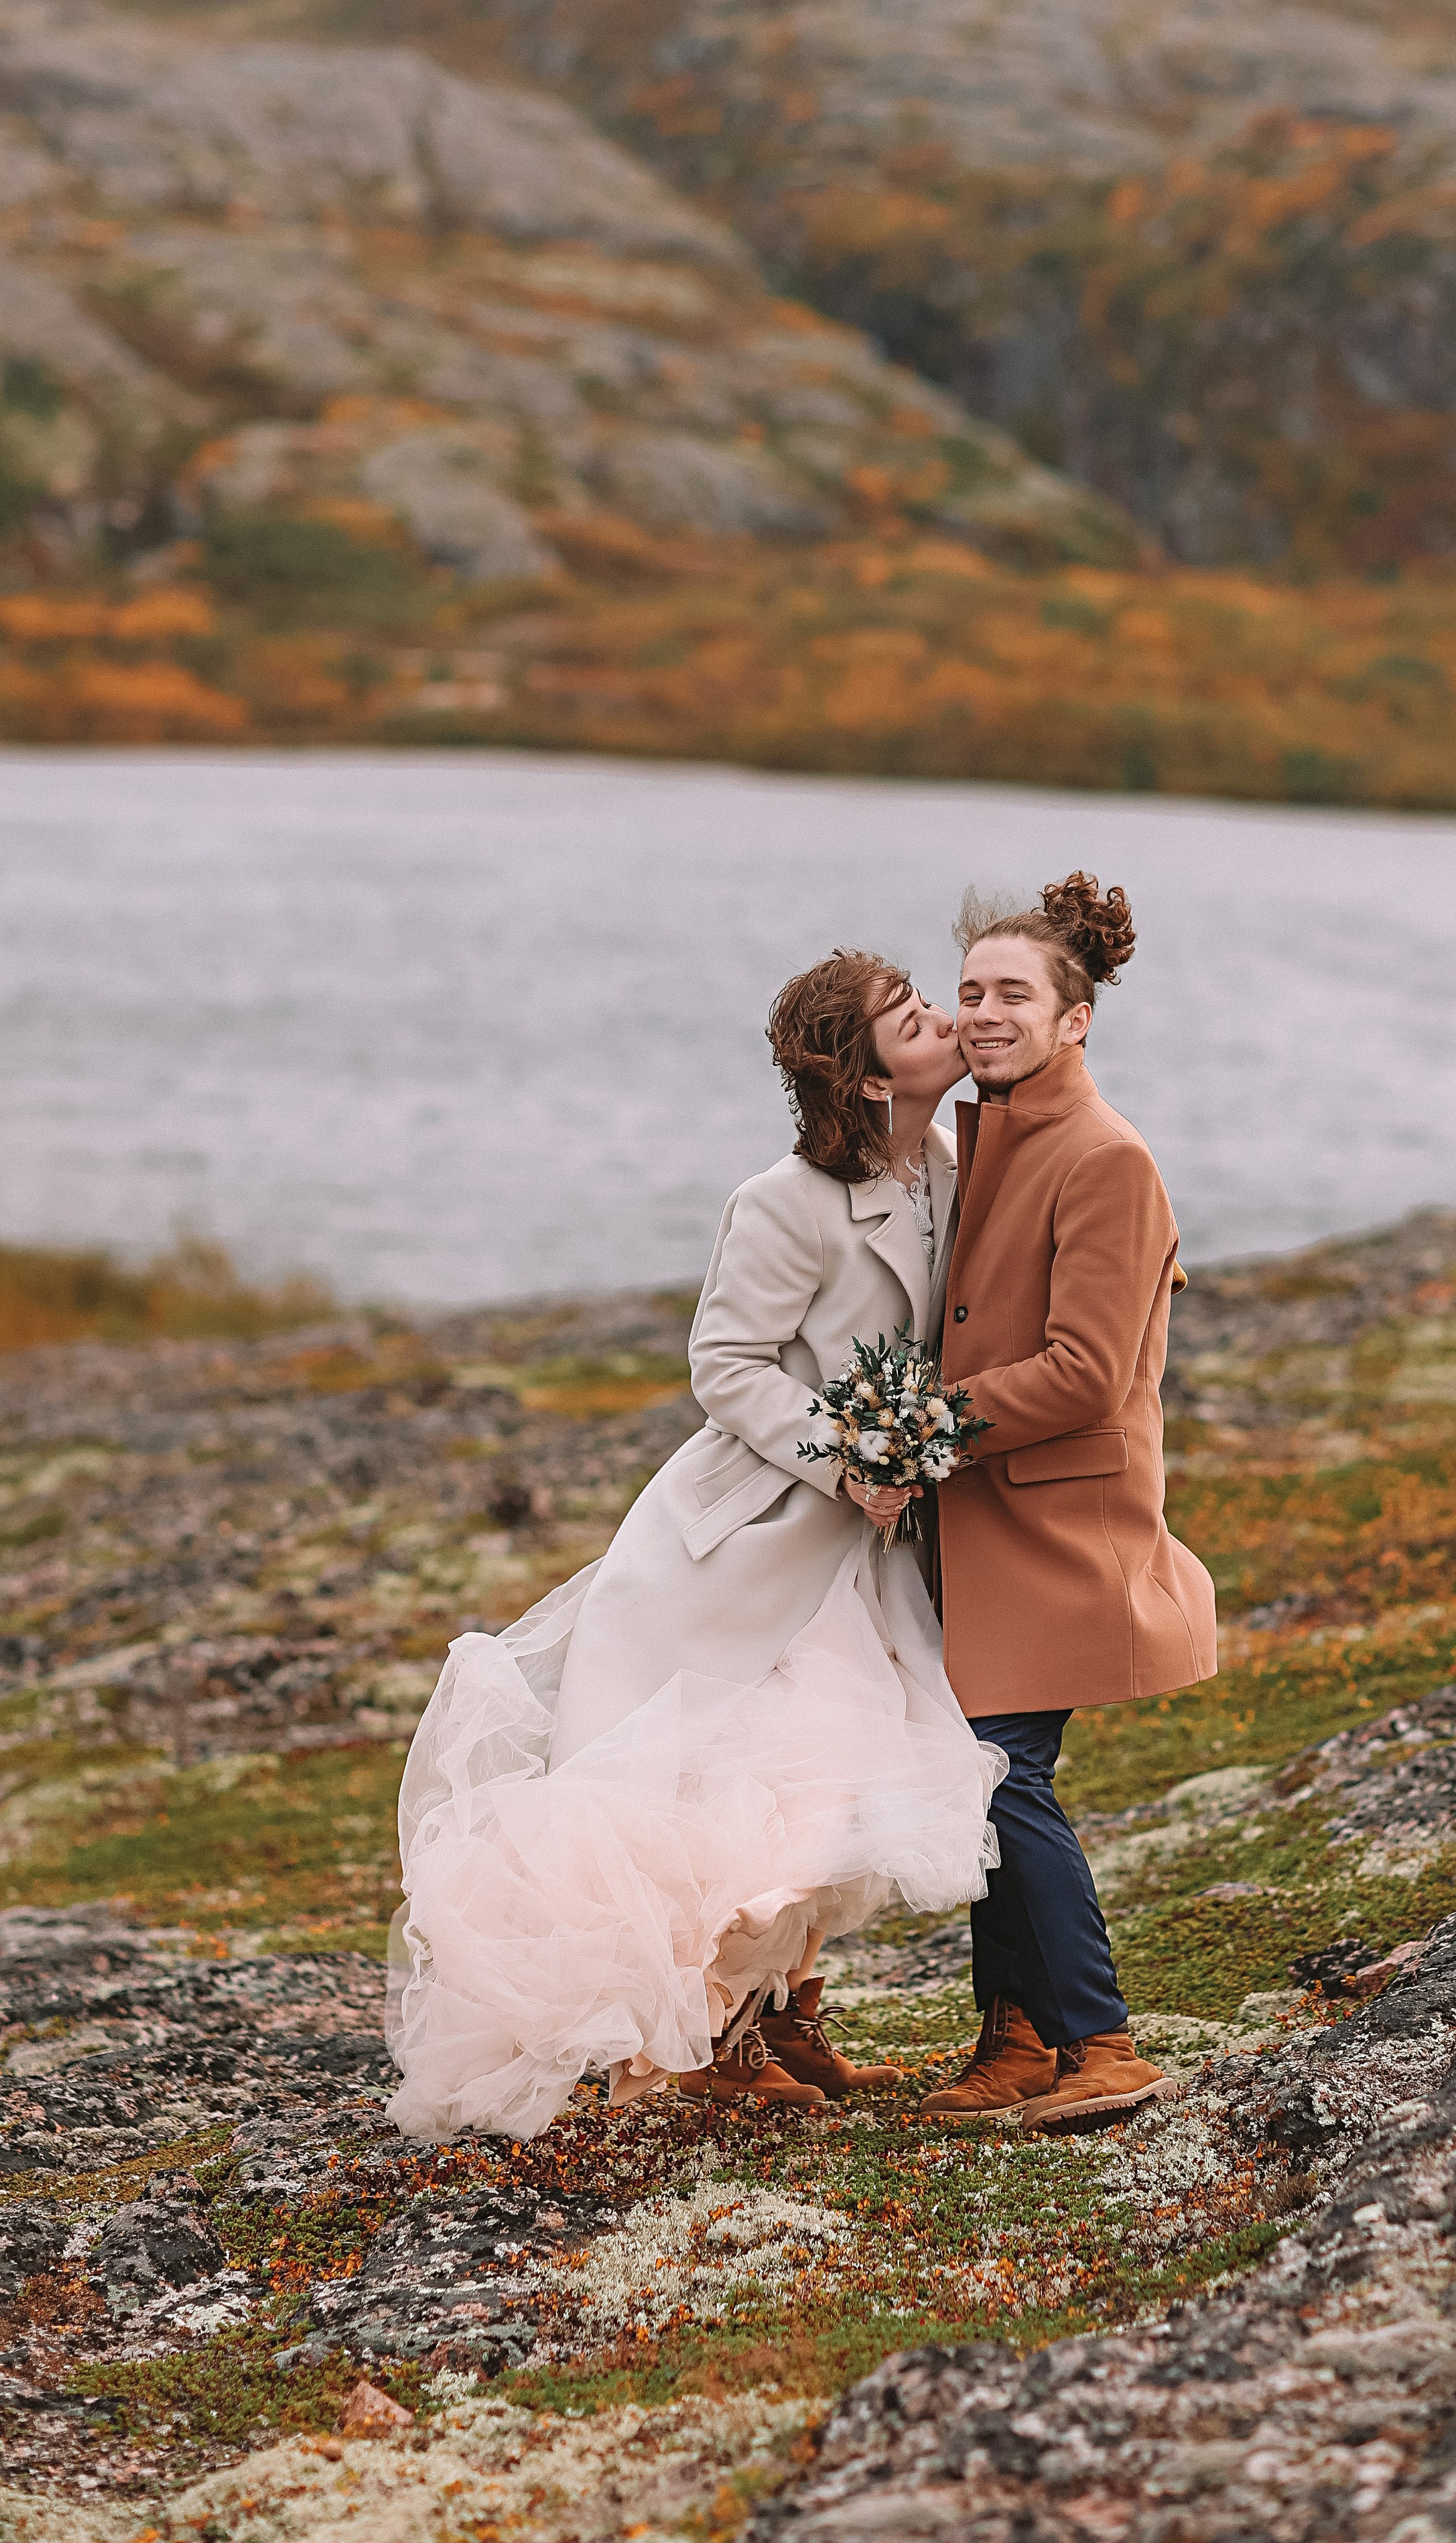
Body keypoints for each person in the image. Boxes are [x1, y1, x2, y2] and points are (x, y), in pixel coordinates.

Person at [387, 950, 1006, 2142]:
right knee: (746, 1787)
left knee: (837, 1778)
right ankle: (712, 2037)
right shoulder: (781, 1200)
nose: (942, 1019)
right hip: (760, 1534)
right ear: (866, 1076)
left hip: (876, 1550)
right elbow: (725, 1368)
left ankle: (782, 2019)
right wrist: (853, 1457)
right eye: (912, 1015)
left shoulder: (946, 1160)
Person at [921, 873, 1218, 2130]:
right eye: (972, 991)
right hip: (988, 1518)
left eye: (1015, 995)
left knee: (1000, 1772)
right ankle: (1018, 2037)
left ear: (1076, 1017)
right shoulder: (988, 1133)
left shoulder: (1106, 1157)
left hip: (1057, 1522)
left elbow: (1091, 1372)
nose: (985, 1013)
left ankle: (1104, 2043)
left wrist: (929, 1426)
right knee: (983, 1769)